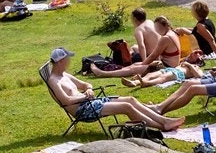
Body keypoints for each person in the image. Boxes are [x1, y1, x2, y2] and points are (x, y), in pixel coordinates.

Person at [45, 48, 181, 132]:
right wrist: (84, 97)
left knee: (130, 99)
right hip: (83, 110)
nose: (69, 61)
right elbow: (66, 100)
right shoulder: (54, 81)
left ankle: (164, 120)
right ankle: (162, 126)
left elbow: (86, 84)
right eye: (67, 59)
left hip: (89, 102)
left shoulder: (65, 74)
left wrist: (88, 90)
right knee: (126, 106)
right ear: (61, 61)